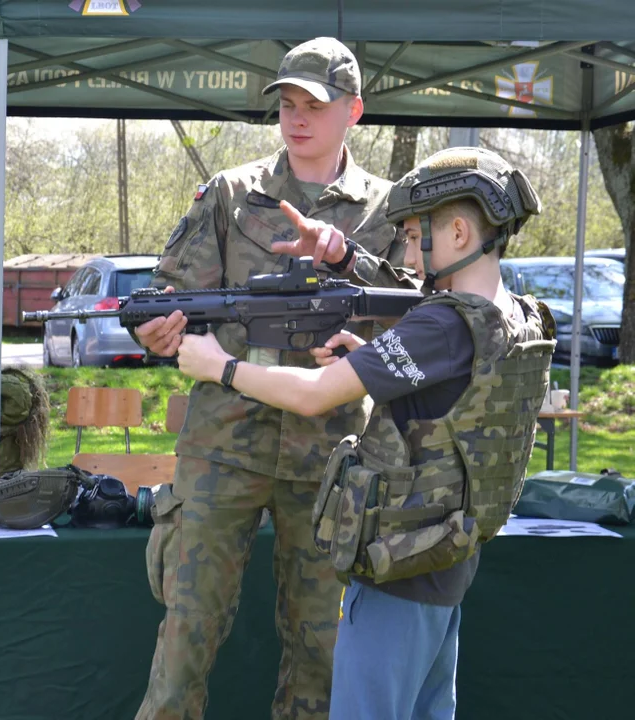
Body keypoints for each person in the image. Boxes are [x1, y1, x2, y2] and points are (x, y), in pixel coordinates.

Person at [176, 146, 555, 720]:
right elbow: (448, 396)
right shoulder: (513, 314)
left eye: (409, 235)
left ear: (456, 231)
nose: (404, 250)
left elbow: (312, 394)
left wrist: (217, 366)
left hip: (396, 576)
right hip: (445, 564)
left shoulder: (440, 323)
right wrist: (370, 354)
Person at [134, 37, 414, 720]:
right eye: (287, 103)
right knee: (185, 640)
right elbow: (169, 296)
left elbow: (417, 311)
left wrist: (347, 256)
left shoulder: (387, 209)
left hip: (331, 456)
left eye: (314, 105)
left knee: (322, 653)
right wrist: (157, 333)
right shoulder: (233, 194)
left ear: (355, 111)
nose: (296, 118)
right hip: (224, 447)